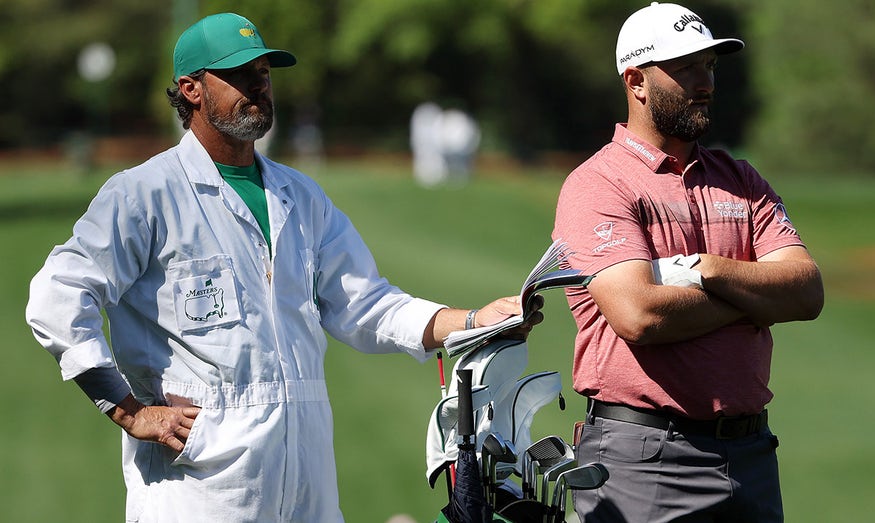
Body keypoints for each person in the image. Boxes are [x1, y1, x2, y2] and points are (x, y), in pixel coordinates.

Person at [25, 13, 540, 523]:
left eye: (265, 73)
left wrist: (473, 321)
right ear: (191, 89)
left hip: (307, 491)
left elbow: (367, 306)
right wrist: (128, 410)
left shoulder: (300, 196)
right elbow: (57, 297)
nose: (259, 86)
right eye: (240, 75)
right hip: (201, 495)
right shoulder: (143, 195)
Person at [551, 3, 824, 522]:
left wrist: (710, 269)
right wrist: (756, 299)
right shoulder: (598, 183)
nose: (706, 83)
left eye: (711, 66)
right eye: (687, 68)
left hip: (750, 456)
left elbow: (806, 293)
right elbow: (641, 316)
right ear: (636, 81)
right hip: (644, 459)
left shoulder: (742, 179)